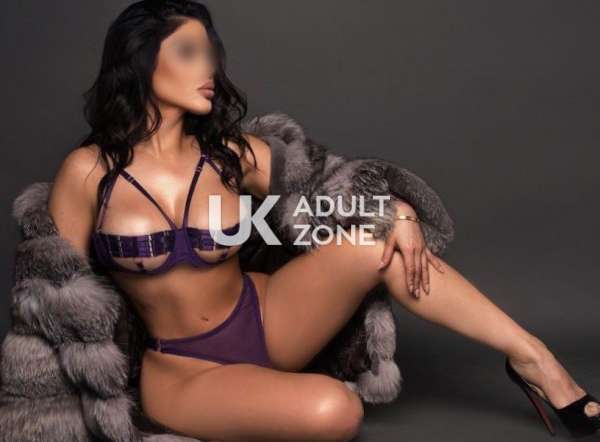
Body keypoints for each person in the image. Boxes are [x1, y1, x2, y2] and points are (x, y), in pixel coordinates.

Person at [47, 1, 599, 440]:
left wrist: (395, 211)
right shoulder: (87, 173)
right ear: (140, 63)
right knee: (335, 412)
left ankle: (534, 359)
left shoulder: (230, 155)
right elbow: (52, 306)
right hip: (184, 370)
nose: (209, 68)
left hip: (270, 316)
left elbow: (329, 188)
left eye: (210, 53)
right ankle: (253, 401)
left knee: (377, 240)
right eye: (188, 53)